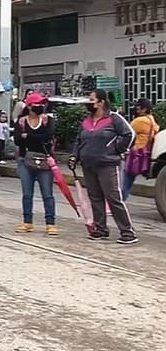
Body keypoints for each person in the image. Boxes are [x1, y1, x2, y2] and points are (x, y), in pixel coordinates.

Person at [69, 89, 137, 245]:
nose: (88, 103)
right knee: (95, 198)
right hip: (88, 164)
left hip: (108, 165)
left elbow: (129, 134)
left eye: (91, 100)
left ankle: (127, 232)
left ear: (101, 102)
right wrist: (74, 156)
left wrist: (118, 149)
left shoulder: (114, 119)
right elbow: (78, 141)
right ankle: (100, 229)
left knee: (113, 198)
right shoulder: (86, 121)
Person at [13, 93, 57, 235]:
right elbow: (18, 140)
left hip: (44, 160)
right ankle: (27, 222)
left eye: (42, 104)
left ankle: (50, 223)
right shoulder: (21, 122)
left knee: (47, 194)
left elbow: (48, 136)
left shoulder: (46, 120)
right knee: (27, 194)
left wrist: (29, 136)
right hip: (24, 160)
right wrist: (33, 138)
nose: (41, 107)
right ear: (30, 106)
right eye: (37, 104)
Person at [122, 98, 158, 200]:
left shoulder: (140, 121)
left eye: (137, 107)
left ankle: (118, 203)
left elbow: (126, 131)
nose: (135, 109)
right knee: (128, 179)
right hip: (144, 153)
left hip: (135, 154)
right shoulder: (151, 120)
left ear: (144, 109)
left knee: (125, 180)